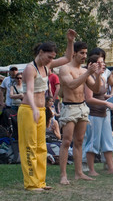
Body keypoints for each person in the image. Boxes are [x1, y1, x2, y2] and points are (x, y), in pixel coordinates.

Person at [17, 30, 75, 191]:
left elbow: (67, 58)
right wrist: (35, 109)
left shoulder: (46, 65)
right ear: (41, 53)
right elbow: (28, 91)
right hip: (29, 110)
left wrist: (70, 41)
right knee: (30, 146)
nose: (51, 60)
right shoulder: (30, 68)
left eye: (52, 57)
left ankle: (40, 181)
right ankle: (31, 183)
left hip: (41, 111)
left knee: (41, 146)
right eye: (49, 56)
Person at [58, 41, 102, 185]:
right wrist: (89, 72)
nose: (84, 56)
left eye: (85, 53)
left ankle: (79, 173)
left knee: (79, 141)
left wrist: (98, 75)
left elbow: (96, 90)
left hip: (82, 107)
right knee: (66, 141)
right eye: (82, 53)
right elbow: (71, 85)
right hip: (69, 107)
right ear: (74, 53)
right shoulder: (65, 69)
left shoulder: (84, 71)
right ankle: (63, 175)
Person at [82, 54, 113, 176]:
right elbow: (89, 98)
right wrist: (106, 102)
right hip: (93, 114)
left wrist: (109, 97)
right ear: (92, 65)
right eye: (99, 62)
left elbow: (100, 94)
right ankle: (91, 169)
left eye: (103, 62)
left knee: (108, 140)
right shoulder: (88, 78)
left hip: (103, 113)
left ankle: (111, 167)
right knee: (93, 142)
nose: (103, 64)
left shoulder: (102, 77)